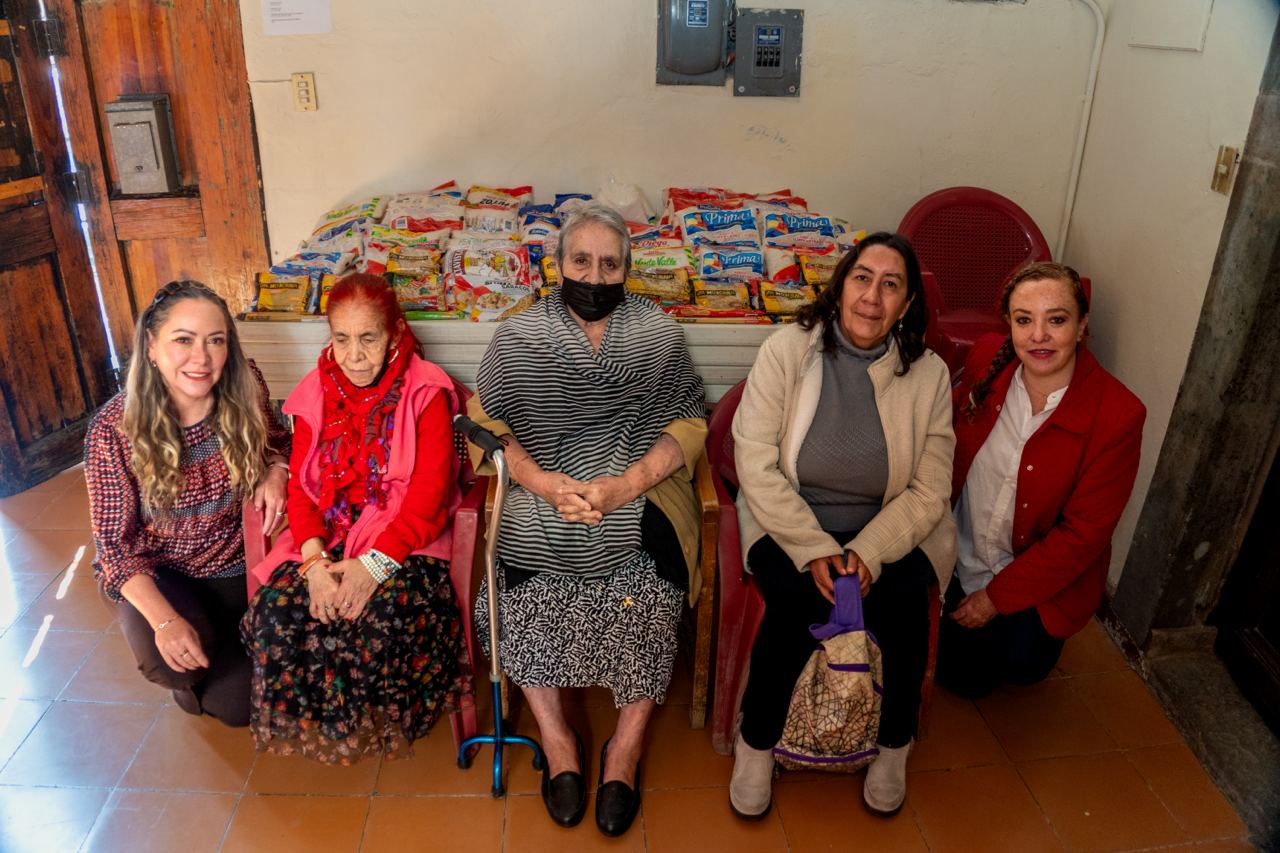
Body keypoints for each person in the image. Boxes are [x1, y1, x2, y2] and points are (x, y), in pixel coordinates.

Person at [467, 201, 707, 836]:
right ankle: (558, 740)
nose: (595, 278)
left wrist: (625, 485)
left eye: (609, 265)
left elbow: (688, 421)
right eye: (581, 261)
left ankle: (623, 749)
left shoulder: (655, 331)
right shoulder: (520, 334)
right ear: (557, 264)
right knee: (513, 592)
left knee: (655, 592)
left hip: (633, 493)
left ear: (627, 270)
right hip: (546, 495)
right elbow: (483, 424)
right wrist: (543, 484)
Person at [729, 232, 956, 820]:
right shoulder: (787, 349)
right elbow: (754, 458)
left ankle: (893, 748)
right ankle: (756, 744)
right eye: (862, 278)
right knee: (792, 604)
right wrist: (812, 549)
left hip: (892, 527)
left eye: (890, 285)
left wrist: (870, 553)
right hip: (791, 521)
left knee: (904, 611)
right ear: (840, 285)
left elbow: (930, 487)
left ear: (907, 305)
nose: (872, 297)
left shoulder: (929, 374)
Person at [241, 273, 470, 764]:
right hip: (329, 538)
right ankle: (331, 727)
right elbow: (302, 490)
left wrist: (373, 568)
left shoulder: (427, 392)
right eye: (341, 338)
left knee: (379, 619)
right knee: (280, 611)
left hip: (405, 543)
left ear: (395, 333)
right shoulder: (313, 393)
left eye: (368, 338)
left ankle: (373, 726)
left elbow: (428, 502)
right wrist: (314, 564)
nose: (354, 354)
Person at [87, 279, 290, 727]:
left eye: (215, 341)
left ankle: (214, 644)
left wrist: (277, 469)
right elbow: (114, 548)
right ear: (152, 345)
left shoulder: (245, 385)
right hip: (159, 573)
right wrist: (164, 622)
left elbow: (281, 440)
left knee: (257, 700)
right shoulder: (115, 429)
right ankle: (184, 652)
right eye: (183, 340)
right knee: (182, 666)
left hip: (237, 566)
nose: (201, 358)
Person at [938, 262, 1144, 698]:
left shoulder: (1119, 415)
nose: (1039, 336)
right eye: (1024, 320)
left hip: (1028, 574)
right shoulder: (986, 361)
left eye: (1057, 320)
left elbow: (1082, 536)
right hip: (958, 552)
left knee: (1020, 667)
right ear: (1008, 324)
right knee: (960, 677)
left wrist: (994, 598)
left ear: (1082, 325)